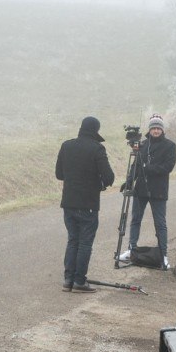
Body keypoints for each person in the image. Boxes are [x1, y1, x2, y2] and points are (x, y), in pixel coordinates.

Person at [55, 116, 114, 293]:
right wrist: (98, 182)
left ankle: (68, 280)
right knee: (85, 243)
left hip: (68, 202)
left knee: (73, 240)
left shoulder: (66, 145)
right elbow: (109, 177)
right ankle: (79, 281)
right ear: (96, 130)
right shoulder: (97, 148)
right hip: (88, 203)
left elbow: (59, 174)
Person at [120, 115, 176, 269]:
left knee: (160, 223)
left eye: (158, 128)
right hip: (141, 189)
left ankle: (163, 255)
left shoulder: (170, 145)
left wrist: (148, 168)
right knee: (135, 219)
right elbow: (136, 165)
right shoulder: (143, 144)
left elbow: (168, 167)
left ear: (162, 130)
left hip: (159, 190)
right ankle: (131, 249)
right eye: (153, 128)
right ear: (150, 129)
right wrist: (129, 181)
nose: (156, 131)